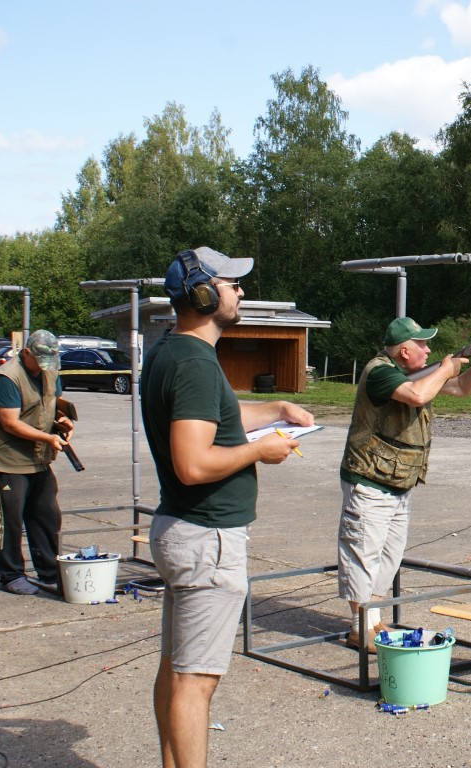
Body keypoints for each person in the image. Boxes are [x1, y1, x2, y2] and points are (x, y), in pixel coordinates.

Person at [141, 246, 314, 768]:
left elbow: (213, 413)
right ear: (202, 294)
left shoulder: (172, 351)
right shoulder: (195, 362)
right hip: (207, 539)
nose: (241, 291)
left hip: (183, 530)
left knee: (176, 669)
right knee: (195, 682)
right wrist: (261, 450)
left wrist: (276, 409)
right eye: (231, 284)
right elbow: (193, 463)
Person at [338, 316, 471, 648]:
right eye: (422, 345)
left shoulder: (413, 373)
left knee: (388, 557)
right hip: (369, 480)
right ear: (404, 351)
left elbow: (461, 388)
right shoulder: (380, 372)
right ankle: (360, 628)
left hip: (397, 481)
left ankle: (372, 620)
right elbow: (417, 395)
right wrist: (445, 368)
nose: (428, 350)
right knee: (363, 554)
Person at [0, 330, 71, 596]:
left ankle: (49, 571)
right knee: (10, 521)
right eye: (40, 361)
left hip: (39, 459)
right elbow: (9, 422)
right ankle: (11, 574)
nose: (45, 368)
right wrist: (48, 438)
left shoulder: (50, 371)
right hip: (9, 460)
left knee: (47, 515)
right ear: (26, 353)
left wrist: (62, 421)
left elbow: (52, 403)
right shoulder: (7, 377)